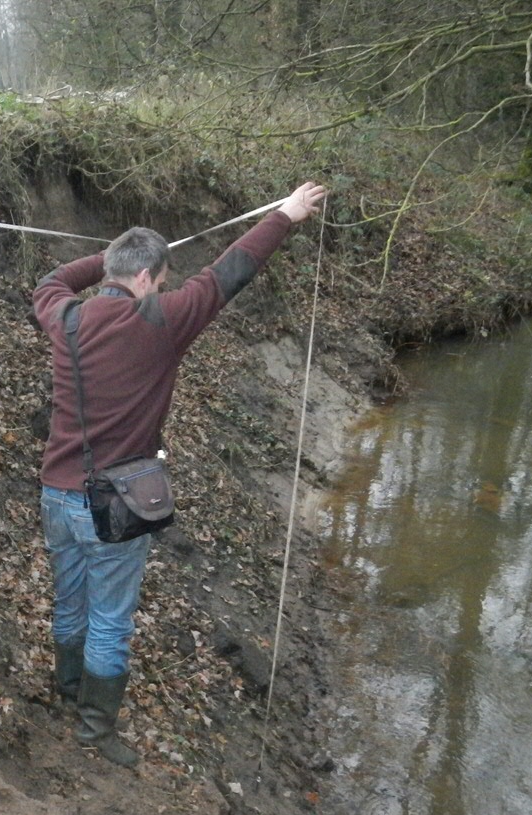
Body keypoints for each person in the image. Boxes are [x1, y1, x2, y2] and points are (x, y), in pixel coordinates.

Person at [33, 181, 327, 767]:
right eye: (160, 278)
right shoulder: (161, 320)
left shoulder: (63, 316)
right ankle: (94, 729)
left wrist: (111, 256)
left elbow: (53, 280)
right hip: (112, 505)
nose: (164, 286)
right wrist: (286, 216)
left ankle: (69, 691)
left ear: (115, 271)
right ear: (146, 279)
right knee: (110, 620)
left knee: (70, 601)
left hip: (56, 493)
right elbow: (228, 273)